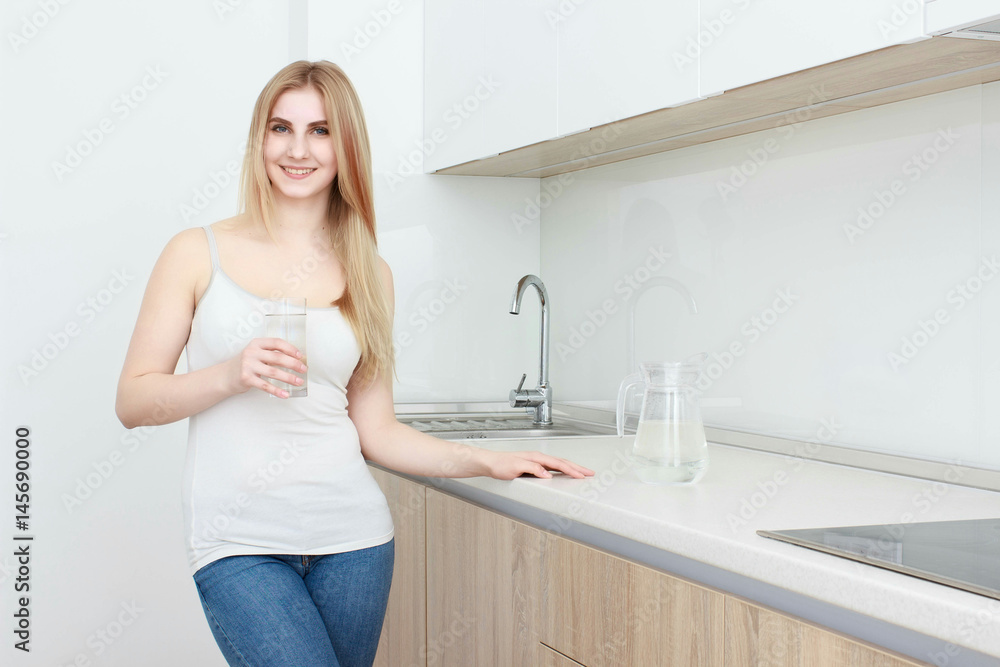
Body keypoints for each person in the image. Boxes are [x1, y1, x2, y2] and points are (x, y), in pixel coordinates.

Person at [114, 60, 594, 667]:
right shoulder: (195, 252)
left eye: (320, 131)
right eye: (280, 127)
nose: (297, 149)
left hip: (355, 543)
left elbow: (377, 431)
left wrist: (485, 459)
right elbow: (132, 402)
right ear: (259, 138)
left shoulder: (371, 273)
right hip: (237, 543)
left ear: (346, 146)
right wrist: (228, 374)